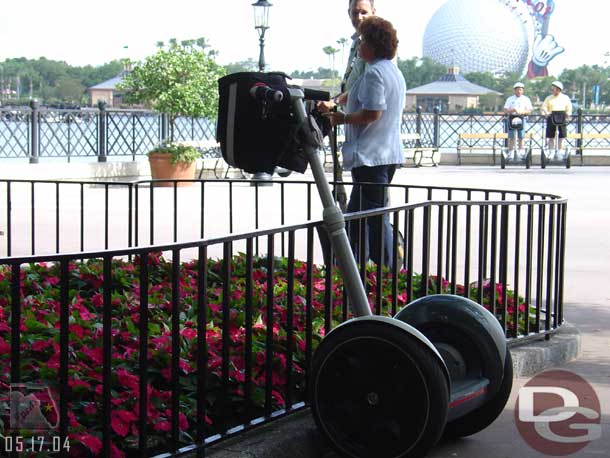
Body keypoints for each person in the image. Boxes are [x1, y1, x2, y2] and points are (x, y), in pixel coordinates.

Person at [323, 16, 406, 267]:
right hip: (385, 154)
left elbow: (373, 113)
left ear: (372, 44)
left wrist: (341, 118)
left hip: (371, 157)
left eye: (362, 41)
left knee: (374, 219)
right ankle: (351, 267)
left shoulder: (375, 74)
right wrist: (337, 102)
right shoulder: (392, 71)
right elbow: (357, 93)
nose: (359, 46)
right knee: (357, 217)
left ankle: (388, 272)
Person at [319, 0, 376, 112]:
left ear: (373, 13)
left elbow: (368, 87)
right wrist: (332, 101)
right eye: (355, 13)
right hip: (353, 120)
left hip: (366, 122)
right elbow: (352, 86)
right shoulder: (356, 42)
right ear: (349, 13)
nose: (359, 17)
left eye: (364, 12)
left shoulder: (375, 43)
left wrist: (335, 102)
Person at [540, 80, 572, 156]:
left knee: (561, 136)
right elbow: (544, 107)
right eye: (552, 88)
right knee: (551, 136)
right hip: (551, 117)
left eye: (554, 88)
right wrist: (545, 113)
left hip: (562, 117)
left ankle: (560, 151)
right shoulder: (549, 98)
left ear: (558, 89)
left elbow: (569, 107)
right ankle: (551, 151)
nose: (552, 90)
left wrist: (568, 114)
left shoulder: (565, 98)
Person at [503, 82, 533, 158]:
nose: (519, 91)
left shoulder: (526, 99)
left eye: (520, 90)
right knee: (511, 136)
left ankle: (521, 151)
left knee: (521, 136)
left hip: (522, 118)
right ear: (514, 90)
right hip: (511, 119)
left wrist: (523, 112)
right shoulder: (510, 99)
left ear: (522, 91)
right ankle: (510, 152)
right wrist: (512, 110)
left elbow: (529, 110)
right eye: (517, 90)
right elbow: (505, 110)